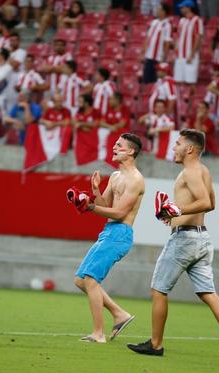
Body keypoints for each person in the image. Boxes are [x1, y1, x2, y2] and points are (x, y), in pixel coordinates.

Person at [127, 129, 219, 362]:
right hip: (202, 238)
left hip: (185, 240)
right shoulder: (203, 171)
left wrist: (177, 210)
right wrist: (175, 215)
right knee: (207, 292)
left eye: (177, 143)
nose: (174, 147)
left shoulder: (189, 172)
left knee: (159, 289)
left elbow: (205, 202)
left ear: (190, 149)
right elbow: (211, 205)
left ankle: (156, 345)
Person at [72, 133, 145, 343]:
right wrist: (95, 191)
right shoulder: (115, 176)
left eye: (119, 145)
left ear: (131, 151)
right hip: (109, 231)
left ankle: (98, 333)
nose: (114, 147)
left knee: (91, 279)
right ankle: (119, 314)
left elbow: (120, 213)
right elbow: (107, 206)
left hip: (120, 233)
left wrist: (91, 207)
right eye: (114, 144)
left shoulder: (136, 180)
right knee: (80, 280)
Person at [174, 0, 203, 96]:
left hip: (190, 55)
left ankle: (193, 100)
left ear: (189, 7)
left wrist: (192, 54)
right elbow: (178, 37)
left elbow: (198, 38)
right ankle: (181, 100)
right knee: (179, 80)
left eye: (183, 7)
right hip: (180, 55)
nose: (181, 9)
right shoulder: (181, 20)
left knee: (190, 81)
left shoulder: (197, 20)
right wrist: (176, 50)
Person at [142, 3, 172, 84]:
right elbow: (148, 38)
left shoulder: (167, 25)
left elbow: (167, 43)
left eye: (159, 9)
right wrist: (143, 52)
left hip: (158, 58)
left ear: (164, 12)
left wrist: (164, 57)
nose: (157, 11)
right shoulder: (154, 22)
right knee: (146, 79)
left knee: (156, 81)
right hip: (149, 56)